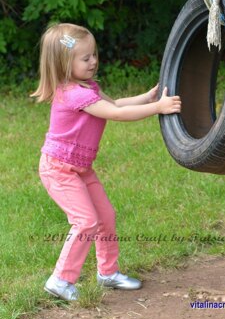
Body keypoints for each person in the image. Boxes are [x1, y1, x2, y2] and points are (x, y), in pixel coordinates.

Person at [31, 23, 181, 301]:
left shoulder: (87, 87)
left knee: (106, 218)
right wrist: (158, 108)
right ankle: (60, 280)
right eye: (85, 58)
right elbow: (115, 114)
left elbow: (117, 104)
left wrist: (147, 98)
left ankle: (108, 273)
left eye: (94, 55)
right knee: (86, 220)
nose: (93, 61)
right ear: (65, 63)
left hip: (81, 169)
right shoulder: (74, 94)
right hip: (58, 169)